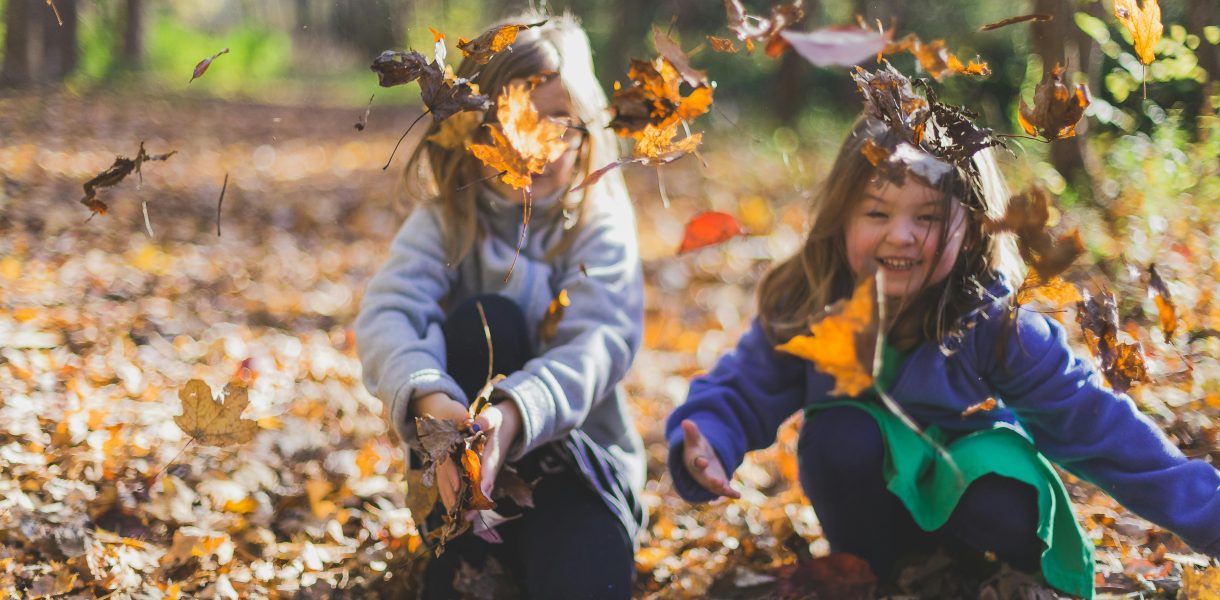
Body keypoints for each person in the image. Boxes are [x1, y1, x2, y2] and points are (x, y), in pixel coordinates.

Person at [665, 114, 1220, 599]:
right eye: (876, 213)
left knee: (997, 483)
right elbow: (743, 387)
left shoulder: (997, 324)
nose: (900, 235)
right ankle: (880, 573)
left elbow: (1098, 427)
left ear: (975, 227)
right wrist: (712, 438)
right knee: (840, 435)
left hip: (980, 509)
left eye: (927, 217)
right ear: (842, 218)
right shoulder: (812, 302)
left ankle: (994, 575)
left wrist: (1210, 517)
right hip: (872, 514)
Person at [356, 13, 643, 599]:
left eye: (554, 119)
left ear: (584, 123)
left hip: (577, 475)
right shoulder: (445, 221)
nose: (530, 140)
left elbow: (599, 343)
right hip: (457, 480)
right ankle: (462, 551)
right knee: (488, 320)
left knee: (590, 577)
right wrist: (435, 405)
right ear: (468, 126)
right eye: (508, 117)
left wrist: (511, 417)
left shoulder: (597, 225)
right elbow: (391, 312)